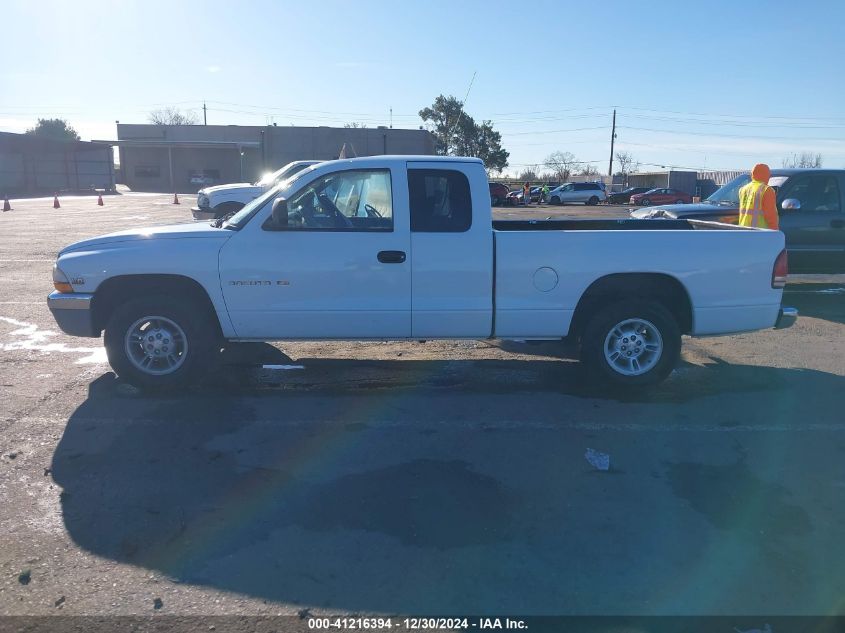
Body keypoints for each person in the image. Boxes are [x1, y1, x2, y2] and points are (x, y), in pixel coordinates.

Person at [738, 163, 778, 229]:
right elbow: (771, 217)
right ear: (766, 175)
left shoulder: (743, 189)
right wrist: (775, 233)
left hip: (743, 231)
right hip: (760, 233)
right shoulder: (767, 190)